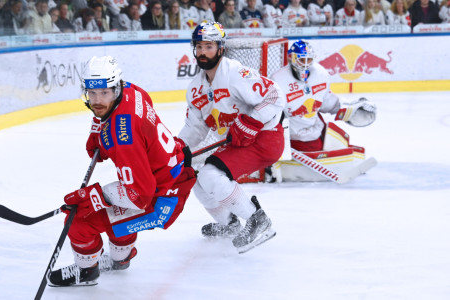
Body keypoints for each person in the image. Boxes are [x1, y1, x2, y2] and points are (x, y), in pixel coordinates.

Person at [48, 56, 196, 287]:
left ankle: (87, 271)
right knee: (116, 211)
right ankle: (121, 259)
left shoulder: (122, 138)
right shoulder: (131, 90)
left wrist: (93, 197)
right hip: (168, 173)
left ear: (115, 88)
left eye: (104, 93)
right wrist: (101, 131)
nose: (97, 101)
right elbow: (140, 118)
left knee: (79, 218)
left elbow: (140, 195)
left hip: (162, 198)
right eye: (92, 93)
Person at [178, 22, 286, 253]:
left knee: (211, 173)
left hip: (265, 138)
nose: (203, 52)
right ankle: (230, 224)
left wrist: (251, 121)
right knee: (195, 178)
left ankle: (258, 220)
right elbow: (195, 128)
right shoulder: (195, 88)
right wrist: (177, 149)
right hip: (239, 143)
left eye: (209, 46)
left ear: (220, 48)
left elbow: (276, 95)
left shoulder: (236, 73)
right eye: (199, 46)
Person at [270, 40, 376, 153]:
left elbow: (326, 102)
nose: (306, 64)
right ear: (292, 58)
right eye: (302, 60)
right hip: (293, 132)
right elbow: (272, 113)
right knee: (316, 148)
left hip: (314, 124)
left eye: (309, 59)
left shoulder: (320, 73)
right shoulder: (278, 79)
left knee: (337, 138)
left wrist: (350, 109)